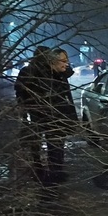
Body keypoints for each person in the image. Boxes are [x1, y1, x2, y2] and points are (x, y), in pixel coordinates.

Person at [23, 47, 77, 184]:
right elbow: (23, 95)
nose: (66, 64)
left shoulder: (58, 74)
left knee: (56, 145)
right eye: (63, 61)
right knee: (38, 145)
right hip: (40, 114)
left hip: (57, 115)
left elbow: (67, 96)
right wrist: (24, 115)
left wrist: (71, 118)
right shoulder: (35, 74)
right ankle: (42, 172)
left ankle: (54, 173)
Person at [14, 46, 51, 181]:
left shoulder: (48, 70)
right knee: (38, 138)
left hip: (41, 109)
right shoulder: (31, 71)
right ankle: (39, 166)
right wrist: (23, 109)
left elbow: (19, 91)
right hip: (36, 109)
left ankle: (40, 165)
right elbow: (19, 91)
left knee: (39, 138)